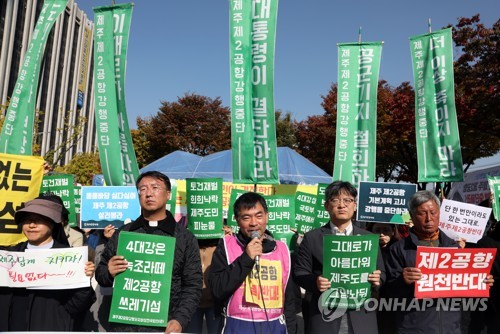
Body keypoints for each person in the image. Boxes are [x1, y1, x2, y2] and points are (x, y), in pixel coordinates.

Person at [95, 171, 202, 333]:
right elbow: (101, 275)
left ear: (168, 194)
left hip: (164, 326)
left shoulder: (184, 238)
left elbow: (193, 285)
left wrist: (180, 320)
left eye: (155, 187)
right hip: (124, 325)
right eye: (143, 189)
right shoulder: (124, 233)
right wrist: (108, 272)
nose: (149, 193)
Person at [385, 190, 494, 334]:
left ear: (439, 214)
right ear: (411, 216)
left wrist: (481, 281)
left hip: (452, 327)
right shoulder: (398, 249)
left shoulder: (454, 248)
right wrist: (402, 281)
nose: (428, 218)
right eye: (422, 213)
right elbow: (387, 293)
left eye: (433, 212)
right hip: (414, 327)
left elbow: (465, 291)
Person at [294, 180, 385, 334]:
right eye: (335, 200)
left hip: (361, 316)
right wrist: (315, 282)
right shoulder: (312, 238)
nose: (342, 205)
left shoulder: (368, 238)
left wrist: (378, 279)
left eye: (348, 200)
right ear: (326, 206)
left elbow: (382, 273)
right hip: (324, 316)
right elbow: (300, 273)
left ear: (355, 206)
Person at [0, 196, 96, 331]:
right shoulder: (9, 255)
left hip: (53, 327)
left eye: (38, 220)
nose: (31, 225)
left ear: (52, 223)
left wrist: (84, 281)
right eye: (27, 220)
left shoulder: (70, 258)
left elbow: (76, 306)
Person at [209, 192, 297, 334]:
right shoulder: (226, 246)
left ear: (267, 216)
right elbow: (217, 289)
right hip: (237, 325)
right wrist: (246, 258)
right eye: (246, 217)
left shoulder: (282, 249)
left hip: (275, 326)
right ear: (237, 220)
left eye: (259, 216)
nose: (254, 223)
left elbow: (290, 299)